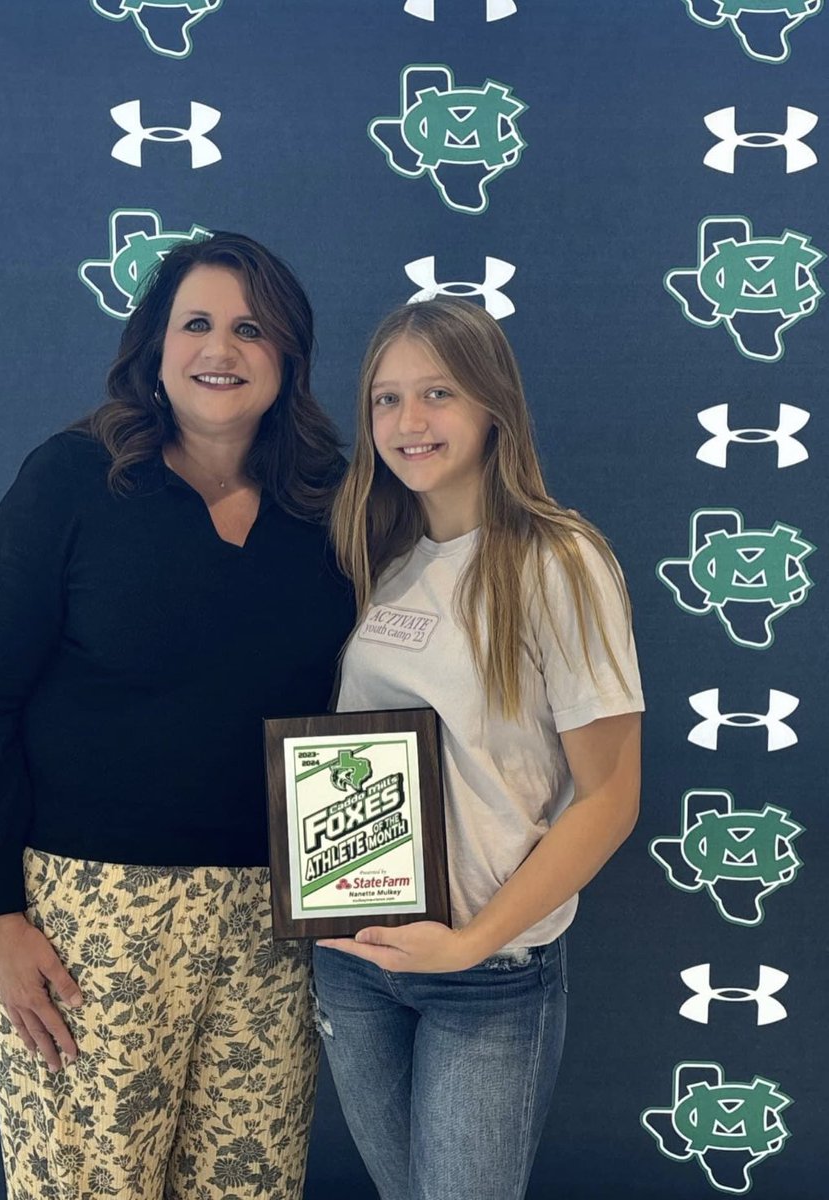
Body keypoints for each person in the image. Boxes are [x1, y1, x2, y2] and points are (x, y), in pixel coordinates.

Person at [0, 232, 356, 1200]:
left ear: (288, 356)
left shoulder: (329, 507)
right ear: (155, 348)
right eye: (196, 323)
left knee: (250, 1185)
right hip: (91, 921)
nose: (221, 348)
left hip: (274, 927)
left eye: (250, 329)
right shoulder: (72, 480)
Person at [312, 297, 644, 1200]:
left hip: (487, 973)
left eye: (438, 393)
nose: (407, 422)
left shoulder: (557, 560)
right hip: (355, 961)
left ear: (493, 405)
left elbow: (609, 798)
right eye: (385, 399)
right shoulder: (375, 555)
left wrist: (472, 943)